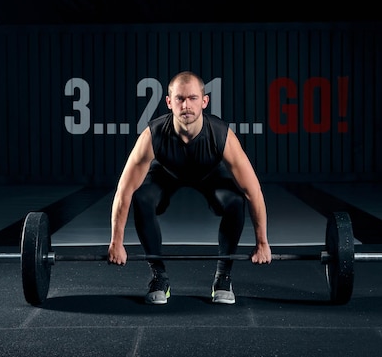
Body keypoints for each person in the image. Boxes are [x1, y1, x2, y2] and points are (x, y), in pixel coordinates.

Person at [107, 71, 271, 305]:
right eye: (180, 99)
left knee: (235, 200)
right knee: (141, 198)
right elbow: (124, 191)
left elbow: (253, 191)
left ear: (204, 101)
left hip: (209, 175)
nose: (186, 105)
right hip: (167, 174)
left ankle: (223, 276)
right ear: (169, 102)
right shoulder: (152, 135)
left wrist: (262, 243)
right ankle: (159, 276)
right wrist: (116, 242)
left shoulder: (221, 135)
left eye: (193, 98)